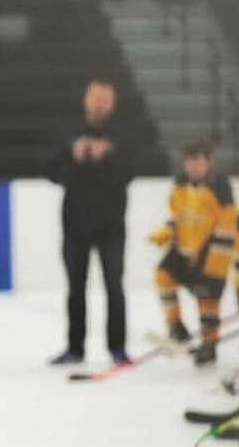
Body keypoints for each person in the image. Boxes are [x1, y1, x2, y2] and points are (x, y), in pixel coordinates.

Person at [48, 78, 134, 366]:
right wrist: (75, 157)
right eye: (95, 97)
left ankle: (118, 347)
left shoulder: (123, 135)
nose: (99, 103)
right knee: (75, 288)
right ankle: (75, 348)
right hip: (75, 225)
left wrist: (107, 155)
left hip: (111, 226)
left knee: (114, 287)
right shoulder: (68, 133)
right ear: (86, 99)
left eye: (105, 98)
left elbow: (130, 173)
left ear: (113, 103)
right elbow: (53, 173)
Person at [149, 141, 235, 366]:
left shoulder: (220, 190)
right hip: (183, 252)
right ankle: (176, 326)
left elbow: (228, 228)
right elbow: (177, 217)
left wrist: (215, 267)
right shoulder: (180, 187)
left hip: (211, 256)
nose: (193, 166)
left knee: (207, 301)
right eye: (189, 161)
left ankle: (209, 344)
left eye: (198, 160)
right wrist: (165, 232)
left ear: (208, 162)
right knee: (162, 276)